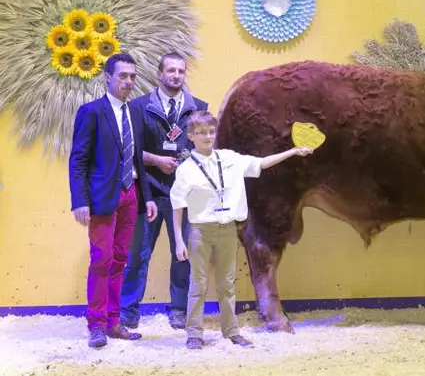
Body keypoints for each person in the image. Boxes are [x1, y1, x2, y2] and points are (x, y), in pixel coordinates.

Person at [171, 111, 313, 349]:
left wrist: (293, 152)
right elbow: (177, 205)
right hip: (200, 231)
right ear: (190, 136)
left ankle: (231, 331)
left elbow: (261, 163)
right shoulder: (185, 169)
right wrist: (178, 240)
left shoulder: (229, 158)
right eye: (201, 133)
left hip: (228, 229)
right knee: (198, 283)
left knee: (227, 283)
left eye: (211, 132)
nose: (207, 137)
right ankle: (194, 333)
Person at [69, 52, 158, 348]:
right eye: (123, 76)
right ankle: (95, 324)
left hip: (131, 193)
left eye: (132, 76)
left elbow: (138, 160)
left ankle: (114, 321)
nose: (128, 81)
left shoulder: (136, 112)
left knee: (121, 259)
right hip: (102, 198)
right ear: (108, 77)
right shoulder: (91, 112)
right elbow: (78, 160)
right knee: (101, 260)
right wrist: (79, 201)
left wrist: (146, 197)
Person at [121, 53, 208, 330]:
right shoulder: (138, 107)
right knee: (138, 255)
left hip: (184, 196)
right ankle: (128, 311)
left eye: (181, 71)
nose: (176, 75)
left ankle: (179, 310)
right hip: (149, 195)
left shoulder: (199, 109)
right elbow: (130, 150)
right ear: (160, 73)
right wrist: (157, 161)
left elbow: (204, 149)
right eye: (171, 70)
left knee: (182, 255)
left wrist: (185, 161)